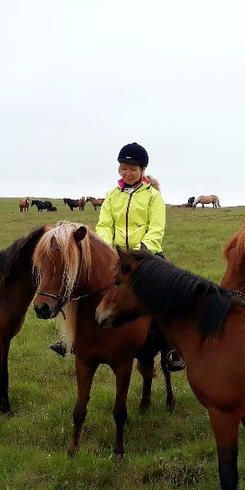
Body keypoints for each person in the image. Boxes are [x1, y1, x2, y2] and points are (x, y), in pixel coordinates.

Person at [50, 142, 185, 371]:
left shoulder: (153, 197)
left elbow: (156, 228)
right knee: (82, 282)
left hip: (145, 254)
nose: (128, 173)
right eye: (124, 168)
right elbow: (104, 225)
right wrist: (107, 251)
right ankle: (71, 338)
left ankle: (172, 347)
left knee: (171, 291)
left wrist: (140, 252)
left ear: (142, 170)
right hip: (114, 253)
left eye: (133, 169)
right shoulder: (112, 196)